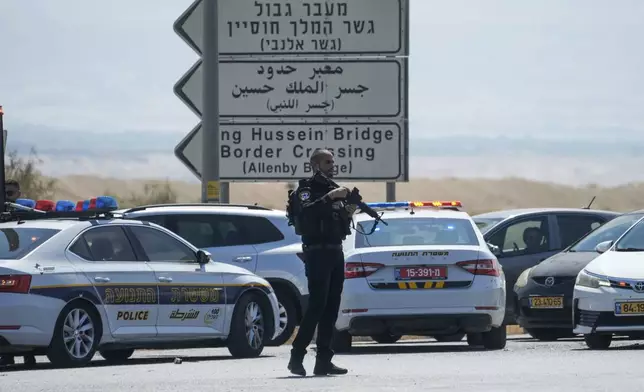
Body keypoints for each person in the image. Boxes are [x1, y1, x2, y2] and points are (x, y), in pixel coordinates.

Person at [287, 149, 355, 377]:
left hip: (336, 251)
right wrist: (331, 197)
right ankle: (296, 357)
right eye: (327, 162)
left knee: (331, 308)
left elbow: (341, 220)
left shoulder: (332, 188)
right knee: (317, 305)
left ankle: (324, 360)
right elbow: (307, 213)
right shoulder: (306, 191)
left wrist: (350, 207)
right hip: (317, 253)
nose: (332, 165)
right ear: (315, 165)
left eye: (333, 162)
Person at [0, 179, 36, 368]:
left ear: (19, 194)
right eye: (4, 193)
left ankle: (29, 355)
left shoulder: (28, 218)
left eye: (11, 193)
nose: (7, 197)